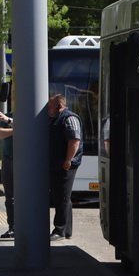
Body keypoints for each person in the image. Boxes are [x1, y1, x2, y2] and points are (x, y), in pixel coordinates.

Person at [47, 93, 83, 240]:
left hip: (66, 164)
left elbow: (74, 141)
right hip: (58, 163)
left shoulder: (69, 118)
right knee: (62, 196)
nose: (48, 109)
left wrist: (68, 160)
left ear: (59, 106)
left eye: (50, 106)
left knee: (62, 196)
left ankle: (60, 230)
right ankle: (66, 230)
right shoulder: (55, 118)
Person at [0, 109, 15, 238]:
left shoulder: (33, 113)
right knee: (10, 197)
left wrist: (10, 123)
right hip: (9, 160)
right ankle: (13, 227)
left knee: (26, 197)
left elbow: (30, 131)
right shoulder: (10, 115)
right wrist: (16, 130)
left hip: (27, 162)